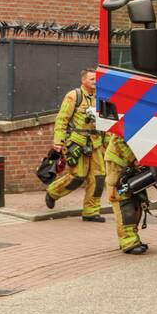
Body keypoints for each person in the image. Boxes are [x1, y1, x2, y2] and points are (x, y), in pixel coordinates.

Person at [44, 68, 106, 222]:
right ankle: (53, 192)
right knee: (77, 177)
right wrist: (58, 141)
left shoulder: (101, 97)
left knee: (98, 178)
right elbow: (62, 119)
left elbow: (106, 122)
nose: (95, 82)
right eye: (92, 79)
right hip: (77, 142)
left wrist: (108, 143)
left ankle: (91, 212)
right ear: (83, 80)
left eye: (97, 79)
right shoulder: (73, 96)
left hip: (96, 143)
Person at [105, 132, 148, 254]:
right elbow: (118, 138)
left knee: (136, 200)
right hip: (118, 164)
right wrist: (134, 159)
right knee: (123, 202)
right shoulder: (126, 123)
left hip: (129, 165)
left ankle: (133, 239)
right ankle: (128, 242)